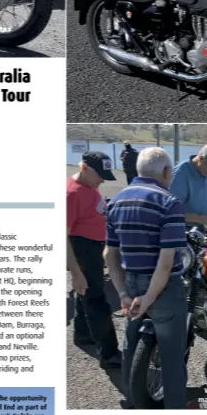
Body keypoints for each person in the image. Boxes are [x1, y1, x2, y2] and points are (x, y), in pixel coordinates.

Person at [105, 148, 189, 409]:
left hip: (130, 282)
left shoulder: (116, 201)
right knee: (172, 357)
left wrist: (123, 295)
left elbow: (109, 255)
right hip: (163, 290)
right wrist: (150, 297)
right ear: (165, 171)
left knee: (130, 348)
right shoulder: (169, 202)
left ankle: (132, 402)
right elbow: (165, 263)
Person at [67, 151, 121, 369]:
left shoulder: (91, 187)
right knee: (97, 300)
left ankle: (82, 335)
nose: (102, 181)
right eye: (100, 175)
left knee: (85, 294)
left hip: (95, 246)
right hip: (82, 248)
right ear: (85, 168)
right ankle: (109, 353)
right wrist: (76, 272)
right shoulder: (72, 194)